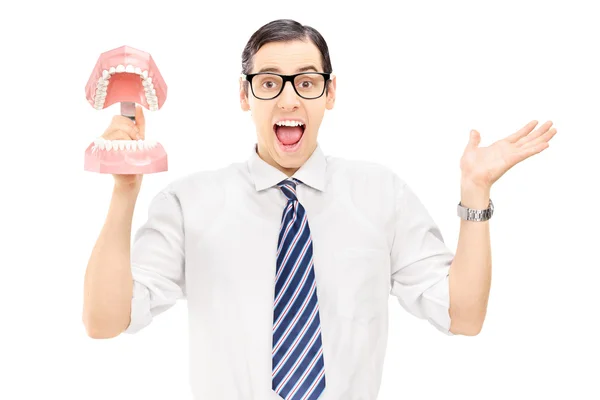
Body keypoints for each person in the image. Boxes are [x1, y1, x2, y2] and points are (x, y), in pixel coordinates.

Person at [82, 18, 557, 400]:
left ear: (330, 93)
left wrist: (475, 190)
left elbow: (464, 316)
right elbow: (104, 322)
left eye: (306, 82)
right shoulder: (189, 204)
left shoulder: (381, 193)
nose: (289, 98)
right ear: (244, 95)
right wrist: (125, 189)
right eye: (269, 82)